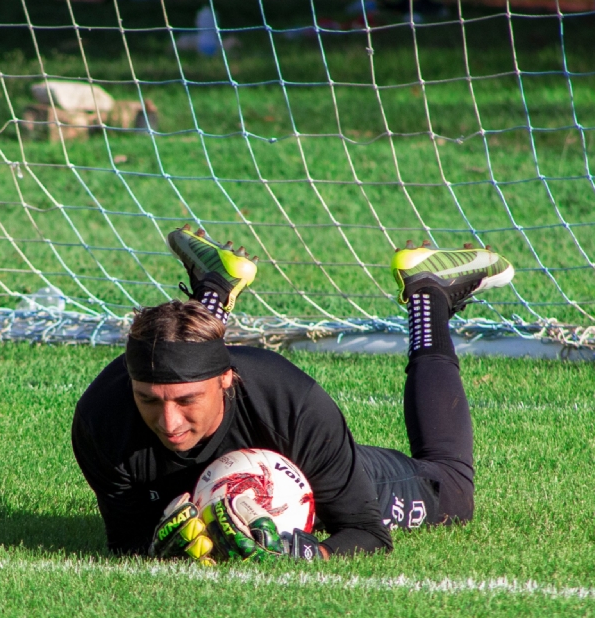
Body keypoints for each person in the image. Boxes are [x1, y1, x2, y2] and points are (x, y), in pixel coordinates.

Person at [71, 226, 514, 562]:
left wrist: (302, 554)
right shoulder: (102, 419)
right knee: (184, 359)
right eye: (149, 400)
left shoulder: (291, 404)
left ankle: (428, 292)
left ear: (227, 380)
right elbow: (126, 539)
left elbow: (366, 532)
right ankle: (215, 283)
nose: (168, 423)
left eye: (187, 401)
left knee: (453, 491)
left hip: (310, 469)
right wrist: (159, 548)